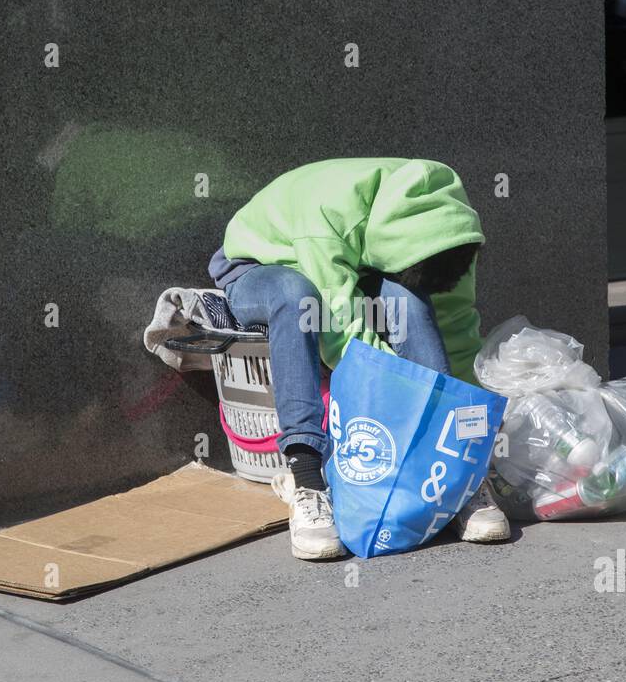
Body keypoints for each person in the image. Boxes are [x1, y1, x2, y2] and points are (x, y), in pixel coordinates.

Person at [207, 158, 510, 559]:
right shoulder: (328, 218)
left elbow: (454, 320)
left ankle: (460, 480)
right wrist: (399, 390)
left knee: (407, 299)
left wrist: (469, 414)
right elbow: (341, 330)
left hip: (359, 258)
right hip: (259, 263)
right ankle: (307, 479)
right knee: (296, 297)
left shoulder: (449, 227)